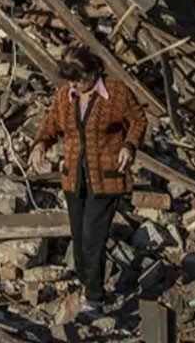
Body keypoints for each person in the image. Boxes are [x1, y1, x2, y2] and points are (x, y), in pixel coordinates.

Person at [28, 45, 146, 315]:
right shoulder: (64, 97)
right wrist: (40, 145)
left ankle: (94, 298)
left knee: (93, 238)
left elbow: (138, 121)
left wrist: (129, 145)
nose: (75, 85)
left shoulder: (115, 92)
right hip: (74, 179)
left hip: (106, 178)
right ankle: (86, 284)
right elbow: (50, 126)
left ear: (93, 72)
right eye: (70, 80)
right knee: (79, 238)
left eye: (79, 79)